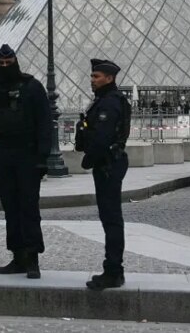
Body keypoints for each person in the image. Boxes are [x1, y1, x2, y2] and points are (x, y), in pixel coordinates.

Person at [0, 44, 52, 279]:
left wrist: (42, 159)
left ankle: (32, 258)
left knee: (29, 207)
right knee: (10, 208)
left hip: (28, 156)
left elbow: (45, 124)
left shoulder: (33, 87)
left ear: (16, 62)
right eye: (1, 64)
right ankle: (18, 256)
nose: (5, 67)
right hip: (4, 156)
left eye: (9, 64)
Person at [76, 59, 131, 291]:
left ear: (109, 78)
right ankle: (113, 268)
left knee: (111, 219)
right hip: (108, 163)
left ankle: (113, 271)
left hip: (108, 164)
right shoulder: (105, 101)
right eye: (92, 76)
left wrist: (88, 159)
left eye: (96, 76)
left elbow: (101, 139)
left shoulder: (109, 103)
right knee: (109, 218)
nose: (92, 80)